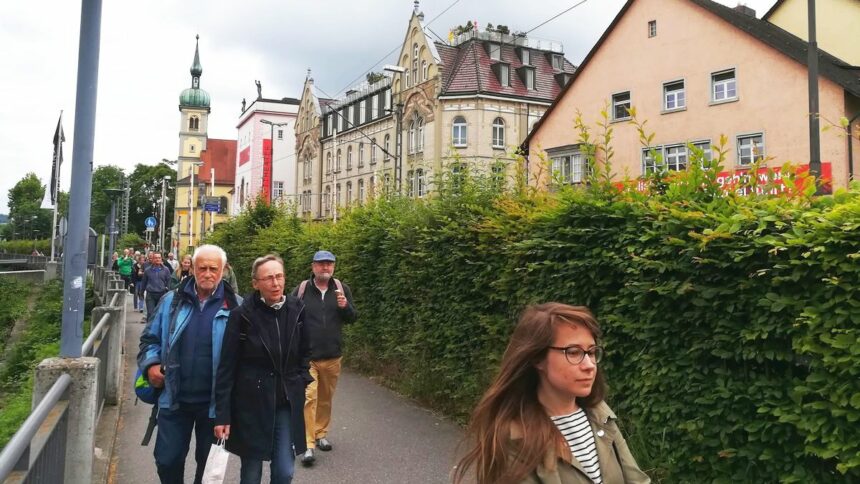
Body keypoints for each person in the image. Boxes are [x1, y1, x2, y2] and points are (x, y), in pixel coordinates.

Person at [453, 303, 650, 484]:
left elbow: (637, 480)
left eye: (590, 352)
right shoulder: (514, 439)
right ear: (538, 359)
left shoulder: (600, 414)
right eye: (573, 352)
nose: (589, 366)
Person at [138, 244, 241, 484]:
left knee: (208, 470)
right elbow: (149, 340)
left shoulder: (237, 307)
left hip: (215, 405)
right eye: (202, 268)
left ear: (223, 270)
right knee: (167, 460)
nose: (207, 273)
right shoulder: (170, 302)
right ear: (192, 269)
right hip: (174, 399)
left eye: (213, 269)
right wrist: (151, 365)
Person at [214, 255, 312, 484]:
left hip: (285, 402)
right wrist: (223, 414)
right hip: (251, 403)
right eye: (268, 278)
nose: (275, 283)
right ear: (256, 283)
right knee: (251, 472)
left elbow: (306, 351)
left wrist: (301, 380)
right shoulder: (242, 315)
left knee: (284, 471)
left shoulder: (297, 309)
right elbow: (227, 367)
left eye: (279, 276)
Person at [292, 250, 357, 466]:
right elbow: (289, 317)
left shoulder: (341, 289)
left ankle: (320, 433)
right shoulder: (301, 290)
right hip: (307, 357)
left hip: (332, 355)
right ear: (313, 267)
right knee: (309, 398)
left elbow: (352, 318)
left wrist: (344, 306)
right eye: (321, 264)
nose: (325, 268)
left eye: (329, 264)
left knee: (326, 398)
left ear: (334, 267)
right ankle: (308, 444)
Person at [141, 252, 173, 319]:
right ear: (152, 259)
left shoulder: (166, 269)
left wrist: (168, 290)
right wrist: (141, 292)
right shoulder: (147, 270)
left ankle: (158, 329)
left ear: (161, 259)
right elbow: (144, 282)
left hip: (162, 294)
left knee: (160, 314)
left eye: (159, 258)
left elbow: (169, 281)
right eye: (155, 258)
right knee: (150, 313)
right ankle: (150, 329)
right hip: (150, 295)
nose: (157, 259)